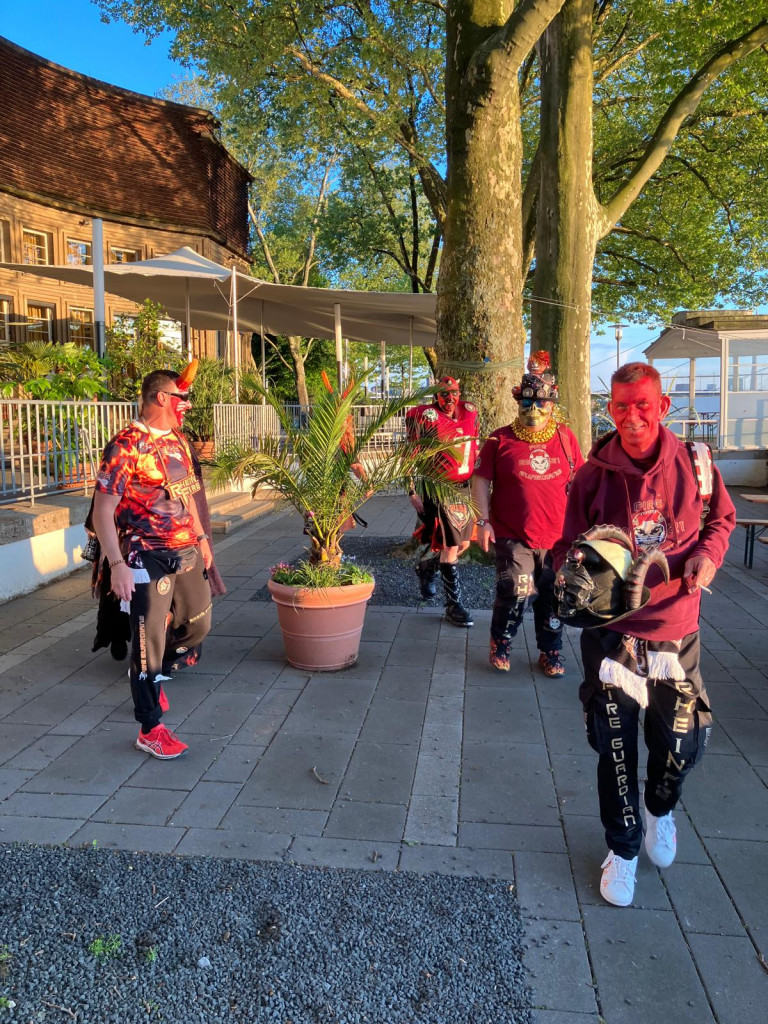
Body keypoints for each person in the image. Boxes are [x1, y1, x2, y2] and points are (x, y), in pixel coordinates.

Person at [552, 362, 735, 907]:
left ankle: (660, 809)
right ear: (610, 408)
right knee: (613, 748)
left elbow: (720, 521)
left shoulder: (696, 463)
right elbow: (565, 548)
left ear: (663, 407)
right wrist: (572, 579)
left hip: (676, 631)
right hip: (612, 638)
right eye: (621, 406)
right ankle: (623, 848)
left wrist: (708, 555)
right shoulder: (591, 475)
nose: (632, 416)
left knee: (678, 744)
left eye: (643, 405)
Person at [91, 367, 215, 760]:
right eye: (183, 398)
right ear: (162, 398)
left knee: (199, 624)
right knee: (147, 644)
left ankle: (155, 672)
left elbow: (188, 494)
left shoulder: (178, 439)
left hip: (185, 549)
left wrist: (202, 538)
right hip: (145, 554)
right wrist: (117, 565)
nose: (187, 405)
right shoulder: (125, 445)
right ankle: (150, 727)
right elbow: (102, 511)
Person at [472, 353, 583, 674]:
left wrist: (583, 530)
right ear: (518, 402)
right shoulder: (499, 438)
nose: (533, 409)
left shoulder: (566, 438)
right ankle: (501, 642)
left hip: (558, 538)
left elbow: (580, 482)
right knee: (516, 590)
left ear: (552, 404)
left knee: (553, 595)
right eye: (527, 402)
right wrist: (482, 521)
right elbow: (480, 480)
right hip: (513, 533)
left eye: (541, 403)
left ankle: (551, 650)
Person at [405, 376, 479, 627]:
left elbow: (475, 447)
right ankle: (454, 605)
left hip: (463, 488)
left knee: (463, 544)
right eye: (444, 394)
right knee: (450, 547)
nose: (449, 399)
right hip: (438, 488)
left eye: (453, 393)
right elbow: (409, 455)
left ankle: (427, 567)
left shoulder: (470, 412)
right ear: (435, 395)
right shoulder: (424, 416)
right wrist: (411, 491)